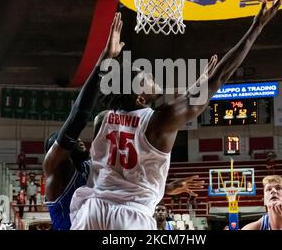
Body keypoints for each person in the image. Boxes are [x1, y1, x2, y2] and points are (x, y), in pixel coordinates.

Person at [70, 0, 282, 230]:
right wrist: (256, 27)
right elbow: (220, 77)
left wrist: (107, 59)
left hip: (93, 209)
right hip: (131, 216)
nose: (150, 77)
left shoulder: (103, 118)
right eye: (144, 79)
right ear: (140, 98)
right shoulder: (159, 122)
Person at [43, 13, 204, 230]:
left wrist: (166, 188)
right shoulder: (54, 169)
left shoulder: (93, 166)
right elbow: (78, 116)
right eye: (70, 142)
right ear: (58, 150)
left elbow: (121, 192)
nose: (79, 141)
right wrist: (104, 61)